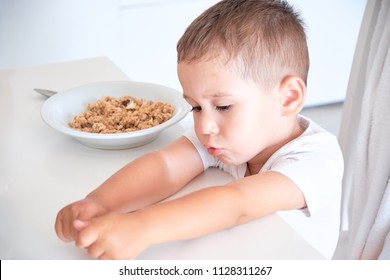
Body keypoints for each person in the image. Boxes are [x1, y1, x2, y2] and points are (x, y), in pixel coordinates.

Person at [55, 0, 343, 260]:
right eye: (196, 107)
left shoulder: (316, 161)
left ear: (288, 98)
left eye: (224, 107)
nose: (204, 126)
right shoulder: (227, 137)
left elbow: (236, 203)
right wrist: (99, 202)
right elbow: (165, 166)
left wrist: (140, 227)